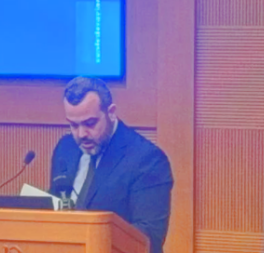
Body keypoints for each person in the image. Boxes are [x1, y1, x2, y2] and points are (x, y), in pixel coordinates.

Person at [49, 77, 173, 253]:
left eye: (90, 123)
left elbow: (148, 238)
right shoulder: (65, 148)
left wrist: (97, 237)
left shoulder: (147, 160)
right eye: (73, 125)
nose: (81, 134)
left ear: (111, 112)